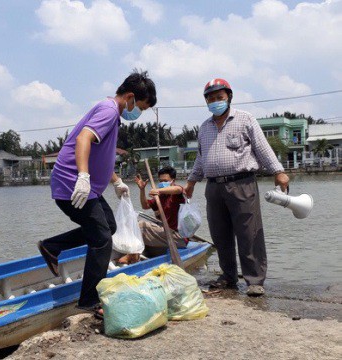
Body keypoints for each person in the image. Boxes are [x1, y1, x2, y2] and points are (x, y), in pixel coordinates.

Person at [37, 70, 157, 316]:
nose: (139, 114)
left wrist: (115, 181)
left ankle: (52, 247)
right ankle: (89, 300)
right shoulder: (109, 110)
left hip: (87, 188)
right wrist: (82, 176)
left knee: (109, 226)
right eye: (141, 108)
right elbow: (83, 140)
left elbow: (100, 156)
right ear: (131, 97)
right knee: (102, 239)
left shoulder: (112, 115)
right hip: (74, 185)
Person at [185, 78, 289, 297]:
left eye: (219, 97)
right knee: (220, 234)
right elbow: (200, 158)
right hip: (213, 188)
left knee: (249, 233)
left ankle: (254, 280)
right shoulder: (204, 128)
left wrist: (278, 172)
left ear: (229, 97)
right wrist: (192, 181)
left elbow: (262, 148)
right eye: (211, 99)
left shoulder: (245, 119)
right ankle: (228, 277)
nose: (215, 102)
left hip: (242, 183)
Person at [135, 166, 187, 258]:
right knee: (134, 223)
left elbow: (178, 189)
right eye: (160, 181)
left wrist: (158, 190)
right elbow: (145, 205)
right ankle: (134, 253)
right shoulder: (161, 196)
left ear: (173, 181)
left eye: (165, 181)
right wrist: (142, 190)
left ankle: (131, 255)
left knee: (142, 226)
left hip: (177, 237)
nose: (162, 183)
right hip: (165, 233)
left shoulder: (177, 195)